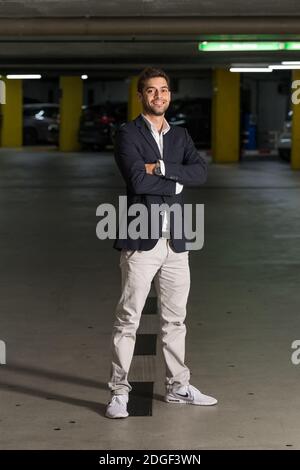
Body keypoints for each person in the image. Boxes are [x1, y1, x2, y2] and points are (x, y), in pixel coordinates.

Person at [106, 67, 217, 419]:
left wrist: (161, 168)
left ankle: (178, 387)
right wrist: (176, 181)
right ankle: (119, 392)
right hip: (141, 240)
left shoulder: (180, 135)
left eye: (164, 90)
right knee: (128, 319)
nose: (159, 96)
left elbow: (200, 172)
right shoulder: (127, 133)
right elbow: (137, 180)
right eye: (152, 91)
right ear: (141, 95)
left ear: (170, 95)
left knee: (175, 320)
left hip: (176, 243)